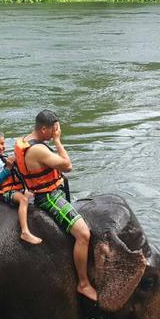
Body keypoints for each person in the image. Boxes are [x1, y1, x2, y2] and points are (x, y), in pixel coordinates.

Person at [15, 110, 97, 301]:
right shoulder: (38, 150)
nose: (55, 133)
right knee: (84, 234)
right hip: (49, 197)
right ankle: (83, 284)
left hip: (49, 190)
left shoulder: (23, 141)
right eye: (53, 130)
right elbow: (67, 165)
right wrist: (58, 142)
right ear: (43, 129)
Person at [0, 130, 42, 245]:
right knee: (23, 199)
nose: (0, 147)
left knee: (32, 194)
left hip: (15, 189)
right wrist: (8, 168)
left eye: (2, 144)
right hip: (4, 192)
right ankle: (25, 232)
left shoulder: (5, 157)